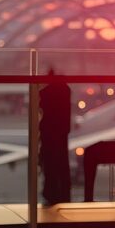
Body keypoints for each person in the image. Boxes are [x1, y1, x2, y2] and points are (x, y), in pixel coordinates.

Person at [38, 69, 72, 205]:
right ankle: (60, 192)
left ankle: (51, 192)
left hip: (50, 132)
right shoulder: (65, 91)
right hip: (60, 132)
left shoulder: (47, 93)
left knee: (51, 164)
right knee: (61, 164)